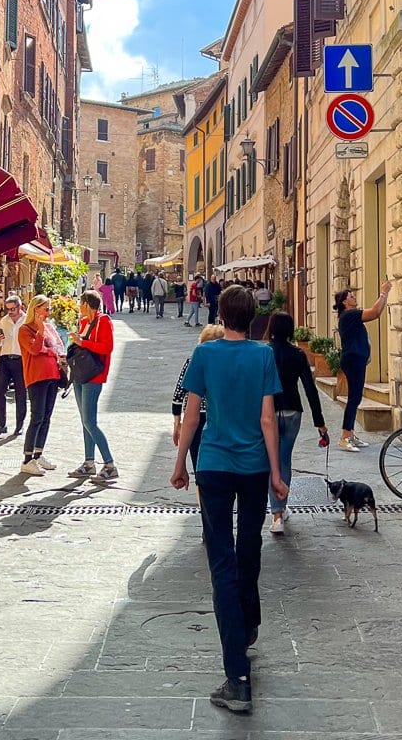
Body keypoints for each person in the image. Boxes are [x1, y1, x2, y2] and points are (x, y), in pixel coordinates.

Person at [171, 285, 288, 715]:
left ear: (221, 315)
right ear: (252, 317)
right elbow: (266, 419)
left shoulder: (205, 355)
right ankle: (250, 621)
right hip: (255, 467)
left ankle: (237, 679)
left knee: (222, 562)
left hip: (215, 465)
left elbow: (192, 413)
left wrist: (180, 461)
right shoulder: (263, 356)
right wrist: (277, 473)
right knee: (250, 547)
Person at [266, 311, 328, 533]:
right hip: (293, 410)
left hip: (269, 412)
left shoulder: (264, 352)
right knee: (284, 460)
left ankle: (277, 515)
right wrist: (319, 422)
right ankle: (281, 506)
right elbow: (310, 389)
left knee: (271, 460)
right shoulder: (298, 354)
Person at [333, 280, 392, 451]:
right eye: (351, 296)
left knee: (356, 397)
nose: (354, 297)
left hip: (355, 359)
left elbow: (375, 312)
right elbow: (374, 312)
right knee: (354, 398)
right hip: (353, 360)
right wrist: (384, 293)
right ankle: (345, 436)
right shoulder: (349, 315)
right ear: (345, 302)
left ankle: (350, 434)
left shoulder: (349, 317)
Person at [67, 290, 118, 482]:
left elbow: (107, 347)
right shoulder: (84, 322)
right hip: (81, 375)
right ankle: (89, 462)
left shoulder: (103, 321)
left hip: (94, 375)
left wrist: (84, 342)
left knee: (90, 421)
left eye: (81, 303)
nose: (79, 306)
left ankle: (110, 464)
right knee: (85, 421)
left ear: (88, 304)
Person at [17, 295, 66, 476]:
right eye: (46, 309)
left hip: (52, 376)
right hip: (36, 377)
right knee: (37, 417)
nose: (48, 312)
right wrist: (39, 332)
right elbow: (35, 350)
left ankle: (38, 454)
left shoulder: (49, 328)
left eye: (49, 309)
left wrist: (53, 353)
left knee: (46, 417)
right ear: (35, 309)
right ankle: (27, 459)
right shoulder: (25, 330)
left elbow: (58, 348)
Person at [171, 324, 222, 480]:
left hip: (197, 420)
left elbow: (178, 395)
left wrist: (177, 424)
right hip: (219, 418)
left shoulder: (193, 361)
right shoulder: (225, 363)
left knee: (200, 469)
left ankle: (203, 503)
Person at [0, 293, 27, 437]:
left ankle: (19, 425)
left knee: (20, 393)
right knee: (0, 391)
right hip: (5, 359)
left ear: (20, 307)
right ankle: (1, 423)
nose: (10, 312)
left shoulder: (27, 320)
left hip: (21, 360)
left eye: (13, 309)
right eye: (8, 309)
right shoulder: (3, 321)